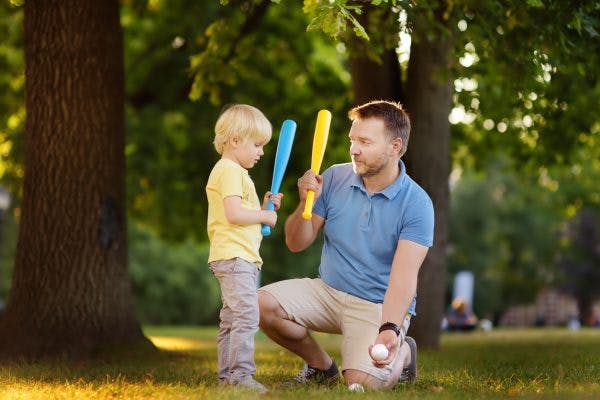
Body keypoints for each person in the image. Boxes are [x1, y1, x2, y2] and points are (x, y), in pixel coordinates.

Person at [258, 100, 434, 391]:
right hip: (327, 292)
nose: (353, 149)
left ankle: (403, 353)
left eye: (365, 141)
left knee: (361, 384)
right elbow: (296, 242)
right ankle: (320, 366)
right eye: (353, 140)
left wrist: (390, 327)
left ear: (394, 146)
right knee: (259, 305)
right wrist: (305, 201)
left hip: (375, 304)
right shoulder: (334, 177)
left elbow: (403, 279)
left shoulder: (417, 204)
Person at [206, 104, 283, 392]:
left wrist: (263, 208)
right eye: (257, 144)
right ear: (235, 140)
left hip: (238, 257)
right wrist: (264, 215)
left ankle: (228, 377)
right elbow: (234, 215)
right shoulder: (229, 171)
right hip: (235, 258)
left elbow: (243, 218)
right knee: (247, 316)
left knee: (232, 319)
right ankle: (240, 377)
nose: (261, 152)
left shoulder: (233, 171)